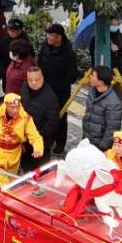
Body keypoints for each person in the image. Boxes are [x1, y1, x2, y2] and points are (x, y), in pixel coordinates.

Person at [37, 23, 77, 156]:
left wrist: (58, 85)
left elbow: (72, 76)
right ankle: (48, 140)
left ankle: (60, 145)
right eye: (47, 34)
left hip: (60, 93)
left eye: (51, 34)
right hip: (44, 89)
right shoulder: (45, 46)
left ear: (59, 37)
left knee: (59, 118)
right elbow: (40, 63)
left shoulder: (69, 53)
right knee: (45, 117)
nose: (48, 37)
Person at [19, 67, 58, 171]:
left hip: (41, 143)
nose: (34, 83)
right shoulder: (24, 88)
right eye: (30, 80)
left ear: (42, 78)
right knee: (26, 168)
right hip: (24, 141)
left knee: (40, 172)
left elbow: (53, 122)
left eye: (37, 79)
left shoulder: (50, 97)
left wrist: (36, 136)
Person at [80, 65, 122, 151]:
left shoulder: (113, 102)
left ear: (101, 82)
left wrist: (102, 147)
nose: (90, 77)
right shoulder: (92, 92)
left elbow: (112, 129)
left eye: (93, 75)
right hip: (87, 140)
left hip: (98, 147)